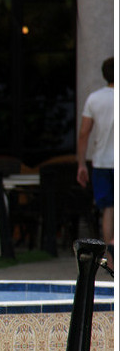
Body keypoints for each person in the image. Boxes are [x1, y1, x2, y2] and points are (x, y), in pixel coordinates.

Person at [76, 56, 114, 268]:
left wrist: (81, 164)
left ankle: (110, 259)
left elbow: (84, 134)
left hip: (101, 161)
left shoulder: (94, 99)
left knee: (108, 209)